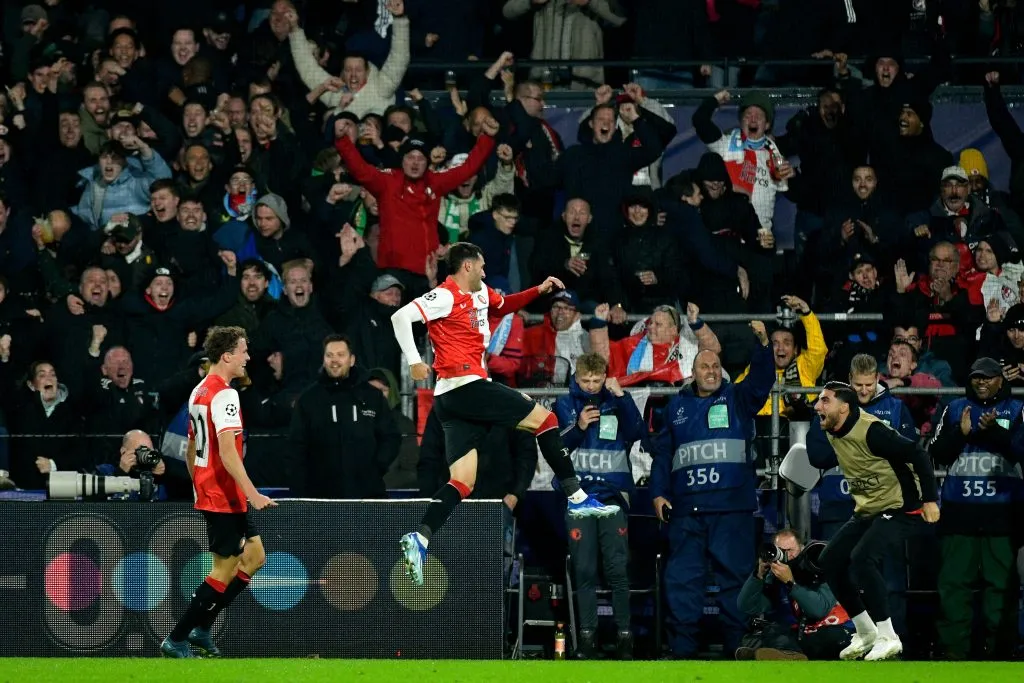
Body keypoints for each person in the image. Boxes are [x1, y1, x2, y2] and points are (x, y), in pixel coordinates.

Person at [390, 242, 619, 586]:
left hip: (452, 401)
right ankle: (577, 497)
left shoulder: (481, 292)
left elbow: (505, 305)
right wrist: (413, 359)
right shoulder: (446, 294)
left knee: (463, 481)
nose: (484, 273)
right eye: (480, 267)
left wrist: (538, 290)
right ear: (466, 266)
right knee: (547, 420)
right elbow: (400, 317)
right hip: (465, 385)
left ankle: (419, 539)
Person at [650, 321, 775, 660]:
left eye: (716, 366)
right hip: (686, 511)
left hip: (731, 509)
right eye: (705, 366)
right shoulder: (675, 407)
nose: (711, 371)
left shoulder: (737, 397)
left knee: (735, 580)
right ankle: (682, 652)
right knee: (682, 582)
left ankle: (737, 647)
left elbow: (762, 381)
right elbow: (663, 454)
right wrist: (658, 492)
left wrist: (763, 346)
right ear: (693, 373)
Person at [161, 326, 277, 658]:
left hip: (215, 490)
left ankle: (201, 628)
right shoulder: (226, 394)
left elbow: (192, 445)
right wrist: (252, 493)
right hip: (225, 493)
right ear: (227, 356)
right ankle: (178, 638)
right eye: (244, 351)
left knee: (255, 558)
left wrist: (198, 481)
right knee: (223, 570)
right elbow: (228, 452)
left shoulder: (199, 390)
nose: (248, 358)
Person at [813, 382, 940, 662]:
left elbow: (917, 453)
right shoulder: (832, 429)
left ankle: (888, 636)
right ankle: (865, 631)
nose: (817, 406)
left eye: (825, 401)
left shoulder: (873, 431)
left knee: (862, 558)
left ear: (844, 407)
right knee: (830, 560)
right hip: (868, 509)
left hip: (901, 506)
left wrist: (930, 499)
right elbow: (815, 457)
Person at [553, 352, 651, 659]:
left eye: (597, 380)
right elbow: (556, 447)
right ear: (576, 378)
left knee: (617, 569)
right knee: (583, 569)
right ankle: (587, 641)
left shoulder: (615, 401)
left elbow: (638, 434)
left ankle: (624, 639)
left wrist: (622, 398)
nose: (592, 386)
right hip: (579, 498)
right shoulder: (565, 404)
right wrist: (579, 426)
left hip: (612, 497)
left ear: (604, 377)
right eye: (586, 380)